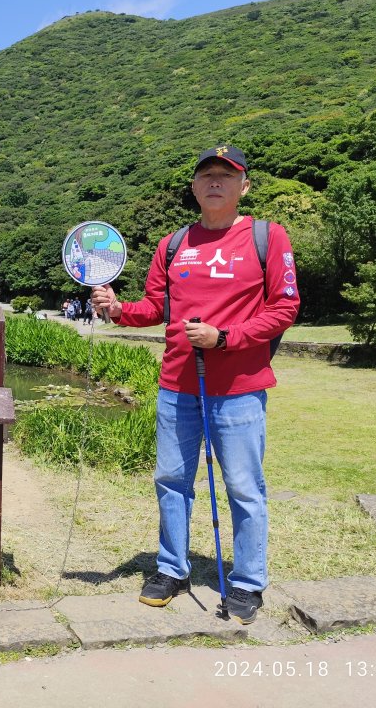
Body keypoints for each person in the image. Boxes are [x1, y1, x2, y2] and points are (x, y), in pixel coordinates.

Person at [91, 145, 299, 625]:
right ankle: (172, 569)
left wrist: (225, 338)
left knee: (244, 487)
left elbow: (284, 308)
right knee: (171, 481)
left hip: (241, 387)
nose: (215, 182)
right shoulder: (173, 244)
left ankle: (247, 582)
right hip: (177, 385)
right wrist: (118, 309)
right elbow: (155, 307)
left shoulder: (269, 237)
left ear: (243, 187)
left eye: (227, 176)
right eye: (206, 175)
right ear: (194, 187)